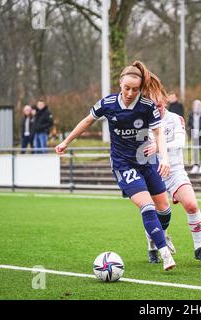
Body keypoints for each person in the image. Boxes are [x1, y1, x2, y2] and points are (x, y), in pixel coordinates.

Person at [55, 61, 176, 271]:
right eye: (126, 88)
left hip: (147, 160)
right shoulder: (107, 103)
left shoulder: (147, 106)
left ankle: (153, 237)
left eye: (135, 89)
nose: (130, 93)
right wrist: (66, 141)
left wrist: (163, 157)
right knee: (147, 207)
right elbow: (87, 121)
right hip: (123, 164)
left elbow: (158, 133)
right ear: (120, 83)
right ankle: (165, 253)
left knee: (164, 210)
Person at [144, 97, 201, 264]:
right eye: (153, 106)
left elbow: (180, 142)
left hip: (174, 170)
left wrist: (159, 146)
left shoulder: (175, 118)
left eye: (159, 106)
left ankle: (198, 249)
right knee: (155, 214)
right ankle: (152, 247)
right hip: (153, 171)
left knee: (192, 205)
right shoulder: (143, 121)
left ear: (165, 103)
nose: (156, 109)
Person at [188, 99, 201, 174]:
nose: (196, 107)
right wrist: (190, 132)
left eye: (198, 105)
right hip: (194, 135)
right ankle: (195, 165)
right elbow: (189, 124)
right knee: (195, 151)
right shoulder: (191, 114)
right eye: (195, 105)